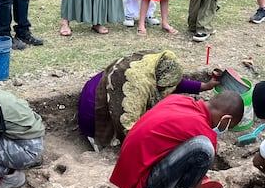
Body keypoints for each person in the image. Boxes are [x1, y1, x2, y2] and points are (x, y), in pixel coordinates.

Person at [110, 91, 243, 188]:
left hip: (130, 179)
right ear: (226, 119)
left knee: (199, 148)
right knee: (204, 149)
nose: (225, 130)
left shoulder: (179, 100)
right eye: (229, 127)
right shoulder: (204, 132)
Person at [77, 50, 220, 150]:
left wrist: (205, 86)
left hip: (99, 88)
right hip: (95, 114)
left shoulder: (153, 62)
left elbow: (172, 82)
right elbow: (129, 128)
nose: (168, 89)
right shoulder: (137, 87)